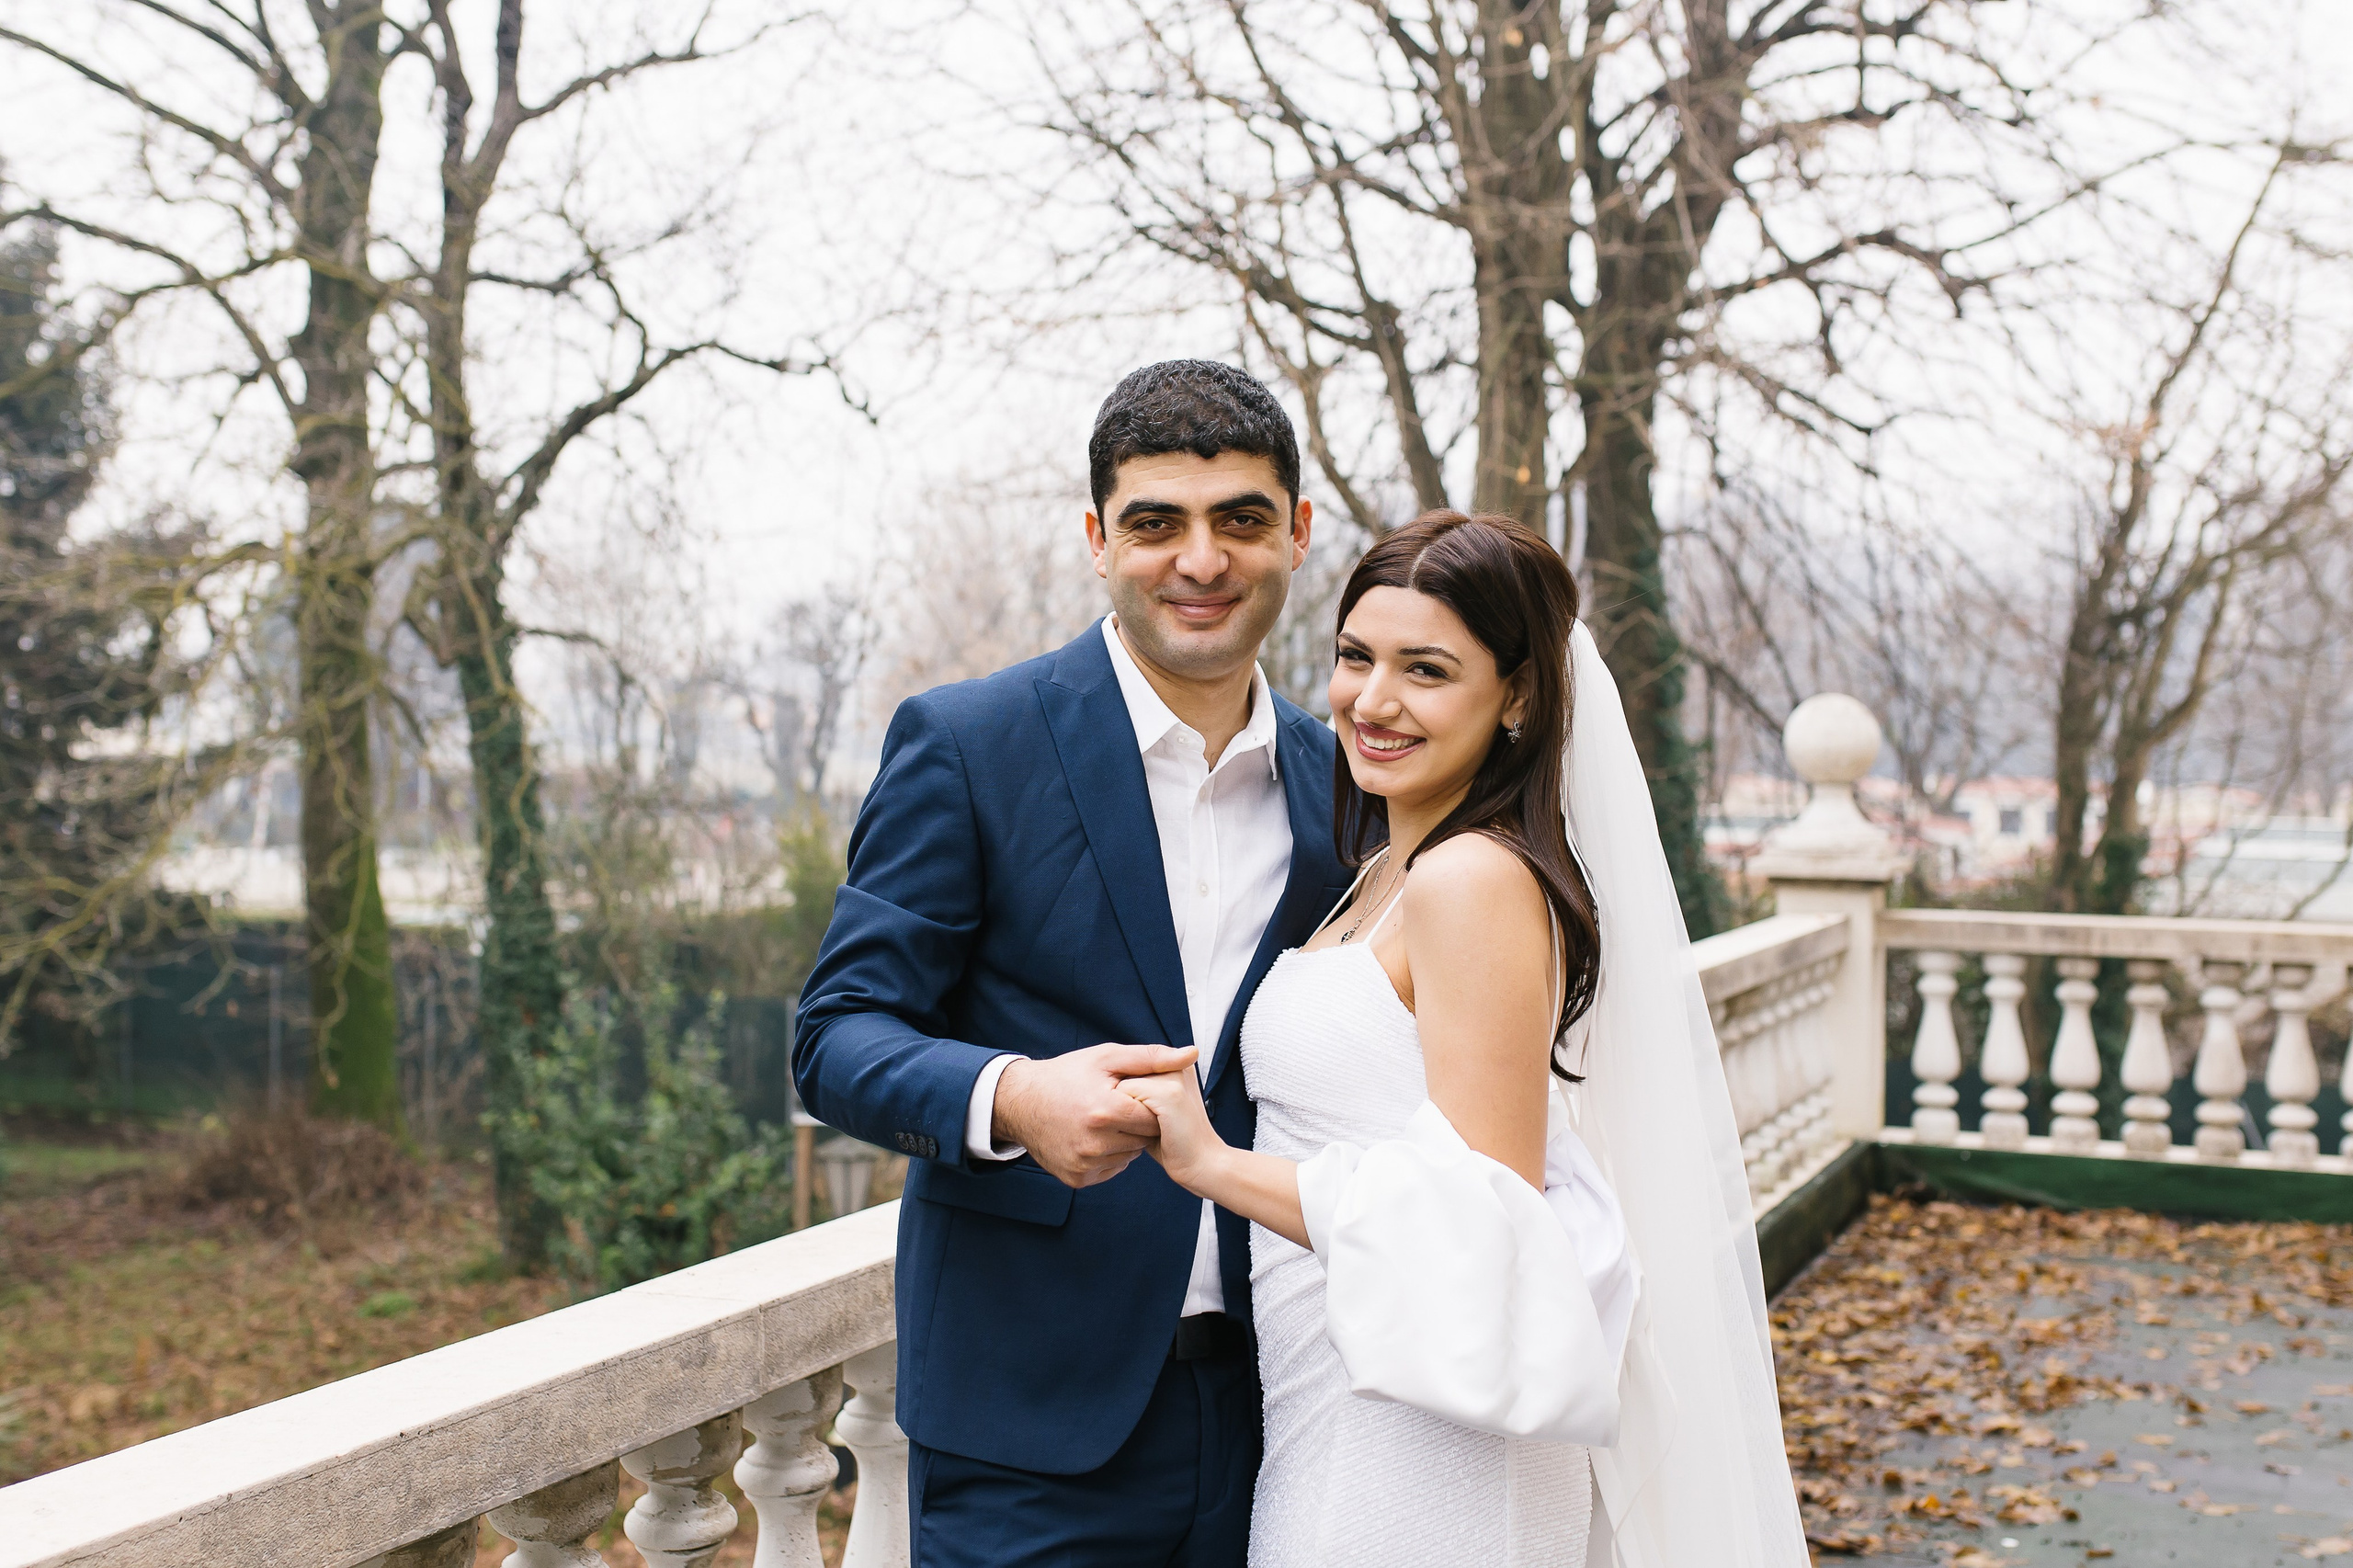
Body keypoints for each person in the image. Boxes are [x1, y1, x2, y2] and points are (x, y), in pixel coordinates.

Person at [1121, 511, 1810, 1567]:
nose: (1373, 699)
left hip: (1425, 1433)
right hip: (1339, 1394)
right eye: (1357, 655)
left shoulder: (1469, 878)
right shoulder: (1386, 871)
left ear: (1518, 695)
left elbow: (1489, 1203)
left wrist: (1211, 1164)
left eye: (1426, 669)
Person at [791, 359, 1351, 1567]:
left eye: (1241, 520)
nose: (1200, 559)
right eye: (1157, 523)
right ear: (1099, 539)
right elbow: (836, 1030)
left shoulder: (1346, 784)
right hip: (1028, 1434)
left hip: (1296, 1413)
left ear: (1298, 535)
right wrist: (1013, 1096)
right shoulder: (969, 744)